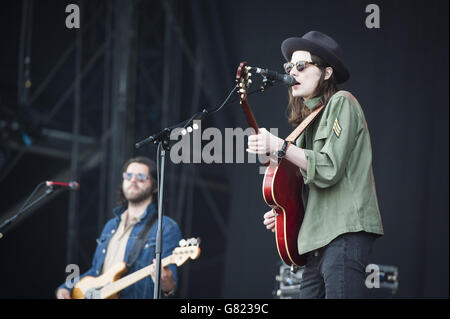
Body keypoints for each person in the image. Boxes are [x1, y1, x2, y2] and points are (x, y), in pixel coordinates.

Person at [246, 31, 384, 298]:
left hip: (344, 232)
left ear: (327, 72)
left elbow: (329, 169)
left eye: (301, 66)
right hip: (316, 242)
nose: (291, 72)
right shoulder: (307, 123)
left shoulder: (342, 102)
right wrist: (284, 214)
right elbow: (309, 187)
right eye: (288, 67)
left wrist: (281, 147)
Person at [56, 156, 182, 299]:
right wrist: (67, 287)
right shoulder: (111, 226)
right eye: (128, 176)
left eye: (141, 177)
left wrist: (167, 282)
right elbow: (97, 272)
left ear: (155, 187)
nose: (133, 180)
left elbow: (170, 286)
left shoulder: (165, 227)